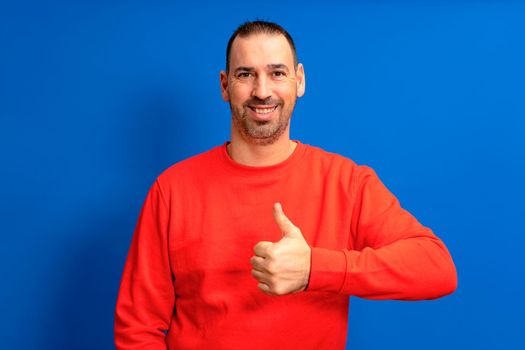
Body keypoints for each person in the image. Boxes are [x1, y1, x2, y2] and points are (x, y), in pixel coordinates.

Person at [114, 20, 457, 349]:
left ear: (299, 81)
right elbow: (138, 328)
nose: (262, 91)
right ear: (224, 85)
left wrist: (315, 269)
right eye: (246, 74)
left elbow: (436, 268)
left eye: (277, 73)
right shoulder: (172, 190)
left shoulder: (347, 182)